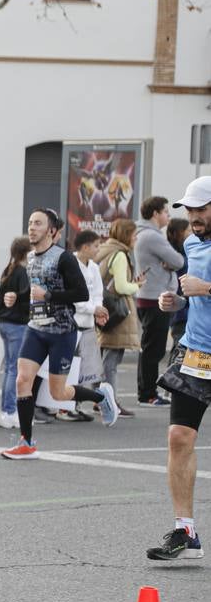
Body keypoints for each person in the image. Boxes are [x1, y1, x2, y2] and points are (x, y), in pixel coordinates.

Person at [1, 210, 119, 460]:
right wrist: (17, 298)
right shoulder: (31, 257)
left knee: (58, 393)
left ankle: (100, 396)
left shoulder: (64, 258)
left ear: (52, 231)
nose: (32, 228)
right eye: (30, 223)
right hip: (36, 328)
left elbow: (81, 294)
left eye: (38, 223)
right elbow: (34, 293)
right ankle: (26, 442)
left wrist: (49, 296)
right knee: (22, 380)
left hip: (62, 332)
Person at [148, 176, 211, 561]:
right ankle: (185, 531)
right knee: (179, 436)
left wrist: (207, 288)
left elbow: (204, 288)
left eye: (201, 209)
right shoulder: (190, 243)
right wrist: (177, 302)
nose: (194, 217)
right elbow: (194, 295)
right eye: (190, 210)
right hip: (196, 351)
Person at [134, 196, 182, 407]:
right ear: (155, 213)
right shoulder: (152, 236)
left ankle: (146, 392)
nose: (168, 217)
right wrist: (169, 263)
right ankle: (148, 394)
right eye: (166, 212)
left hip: (148, 296)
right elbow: (178, 260)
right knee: (153, 349)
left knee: (149, 347)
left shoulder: (141, 233)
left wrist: (168, 262)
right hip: (155, 298)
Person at [56, 230, 108, 422]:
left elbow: (98, 293)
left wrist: (98, 311)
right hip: (72, 323)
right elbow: (74, 298)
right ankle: (63, 408)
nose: (98, 249)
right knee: (68, 367)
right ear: (85, 247)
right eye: (96, 246)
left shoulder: (93, 267)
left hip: (87, 324)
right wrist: (94, 309)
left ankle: (73, 405)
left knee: (82, 368)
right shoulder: (70, 264)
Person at [97, 219, 140, 418]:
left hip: (104, 310)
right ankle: (110, 402)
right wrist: (137, 286)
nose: (136, 239)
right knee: (111, 361)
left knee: (103, 358)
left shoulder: (104, 250)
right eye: (134, 235)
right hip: (117, 312)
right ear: (126, 235)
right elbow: (122, 287)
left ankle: (99, 399)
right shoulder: (120, 254)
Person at [0, 236, 30, 430]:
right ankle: (9, 411)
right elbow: (25, 299)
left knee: (9, 368)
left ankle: (6, 411)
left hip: (4, 322)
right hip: (16, 323)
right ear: (26, 253)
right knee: (14, 369)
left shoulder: (9, 269)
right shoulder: (22, 272)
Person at [168, 217, 191, 347]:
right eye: (188, 230)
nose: (191, 233)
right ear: (180, 232)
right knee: (179, 347)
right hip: (180, 309)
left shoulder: (185, 250)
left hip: (186, 309)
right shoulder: (172, 254)